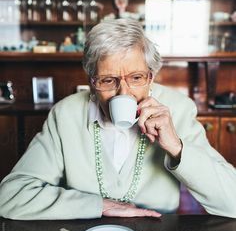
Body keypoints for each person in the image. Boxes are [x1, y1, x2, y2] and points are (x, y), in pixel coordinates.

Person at [0, 19, 236, 220]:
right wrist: (97, 205)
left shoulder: (178, 109)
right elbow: (11, 195)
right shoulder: (66, 114)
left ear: (151, 77)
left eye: (136, 77)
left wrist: (176, 147)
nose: (125, 93)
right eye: (108, 80)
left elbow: (232, 201)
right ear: (92, 82)